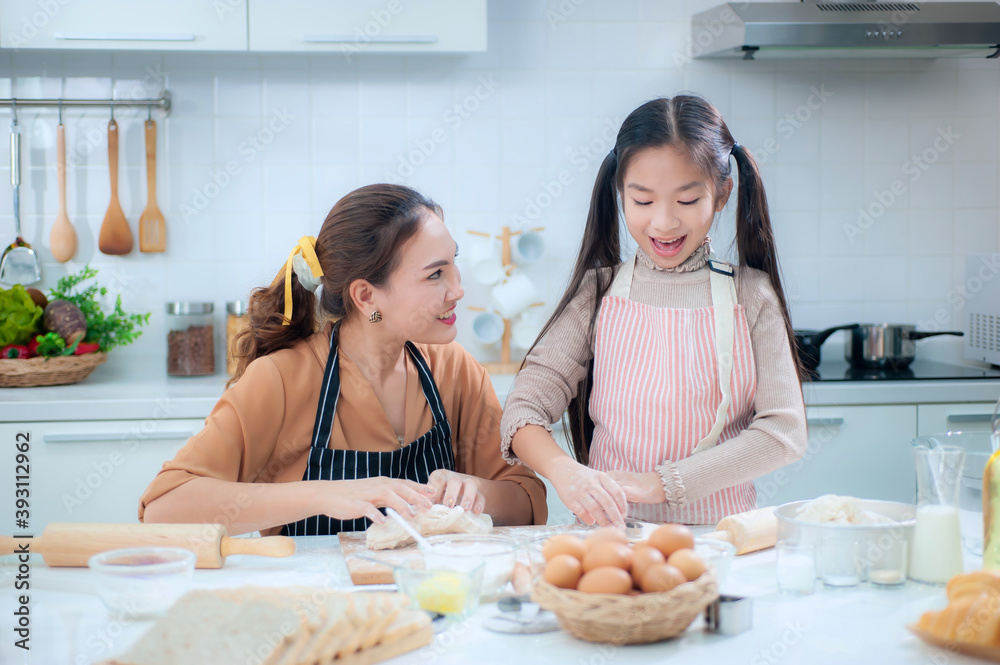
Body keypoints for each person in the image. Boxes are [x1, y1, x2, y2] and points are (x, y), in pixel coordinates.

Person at [141, 184, 546, 536]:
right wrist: (322, 495)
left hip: (429, 605)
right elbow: (163, 509)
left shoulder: (454, 369)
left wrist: (480, 493)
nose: (458, 289)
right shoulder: (282, 380)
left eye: (453, 262)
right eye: (435, 274)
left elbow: (526, 500)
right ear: (366, 296)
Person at [501, 96, 807, 528]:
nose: (663, 223)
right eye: (642, 202)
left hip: (721, 540)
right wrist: (565, 472)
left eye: (686, 201)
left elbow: (783, 433)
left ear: (722, 194)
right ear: (620, 195)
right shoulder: (598, 293)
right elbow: (523, 409)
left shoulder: (751, 295)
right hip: (608, 539)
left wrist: (660, 484)